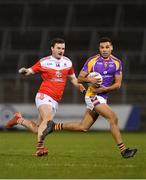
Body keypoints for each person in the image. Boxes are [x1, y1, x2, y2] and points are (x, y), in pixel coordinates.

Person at [46, 37, 137, 158]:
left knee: (83, 127)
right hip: (92, 95)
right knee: (113, 118)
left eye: (107, 47)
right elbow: (79, 79)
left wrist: (105, 89)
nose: (104, 50)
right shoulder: (92, 61)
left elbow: (118, 85)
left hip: (103, 96)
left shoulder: (117, 63)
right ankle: (124, 150)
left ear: (111, 48)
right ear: (99, 48)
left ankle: (53, 126)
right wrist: (89, 79)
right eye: (102, 47)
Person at [6, 37, 85, 156]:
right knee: (48, 120)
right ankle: (40, 149)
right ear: (52, 48)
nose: (61, 50)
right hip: (44, 95)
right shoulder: (44, 61)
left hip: (55, 100)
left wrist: (81, 87)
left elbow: (73, 79)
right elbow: (30, 71)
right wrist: (24, 71)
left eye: (63, 48)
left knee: (38, 129)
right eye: (58, 48)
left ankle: (18, 119)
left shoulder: (68, 62)